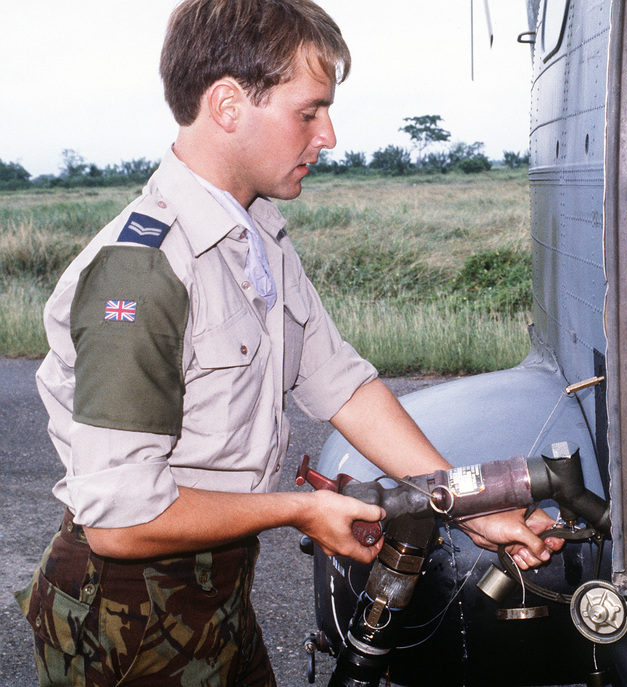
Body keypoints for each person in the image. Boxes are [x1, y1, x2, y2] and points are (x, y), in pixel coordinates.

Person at [17, 1, 559, 684]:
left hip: (218, 585)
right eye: (309, 111)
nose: (329, 135)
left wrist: (466, 503)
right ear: (227, 105)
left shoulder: (256, 236)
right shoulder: (143, 272)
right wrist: (301, 508)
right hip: (126, 613)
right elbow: (120, 522)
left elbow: (341, 383)